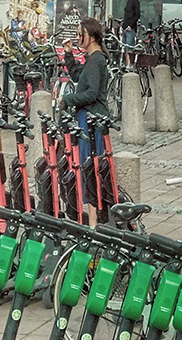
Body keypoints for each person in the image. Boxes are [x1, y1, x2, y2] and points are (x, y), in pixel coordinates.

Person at [60, 17, 110, 227]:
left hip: (91, 119)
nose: (79, 37)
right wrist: (69, 54)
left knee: (90, 167)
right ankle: (91, 217)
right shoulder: (92, 59)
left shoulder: (97, 60)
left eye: (81, 34)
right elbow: (79, 75)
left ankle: (93, 221)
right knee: (86, 165)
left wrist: (67, 100)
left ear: (90, 35)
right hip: (88, 117)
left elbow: (91, 93)